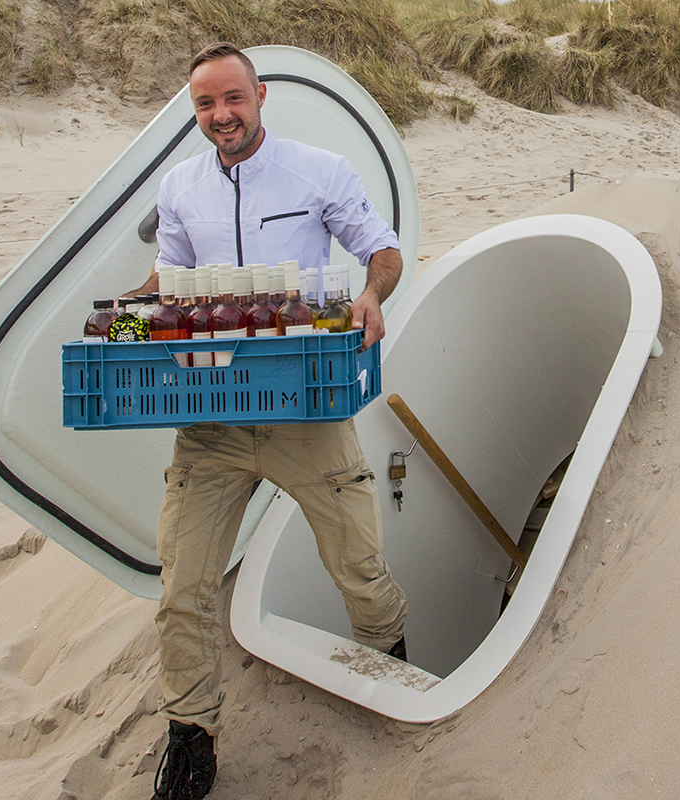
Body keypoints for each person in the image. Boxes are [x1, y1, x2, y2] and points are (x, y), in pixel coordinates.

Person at [126, 42, 409, 800]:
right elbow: (173, 279)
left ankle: (391, 665)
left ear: (259, 96)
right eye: (205, 105)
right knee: (183, 582)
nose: (221, 116)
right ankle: (192, 735)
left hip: (304, 404)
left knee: (357, 565)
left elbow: (381, 250)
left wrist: (373, 293)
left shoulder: (319, 170)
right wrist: (127, 314)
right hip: (211, 416)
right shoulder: (180, 185)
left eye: (233, 100)